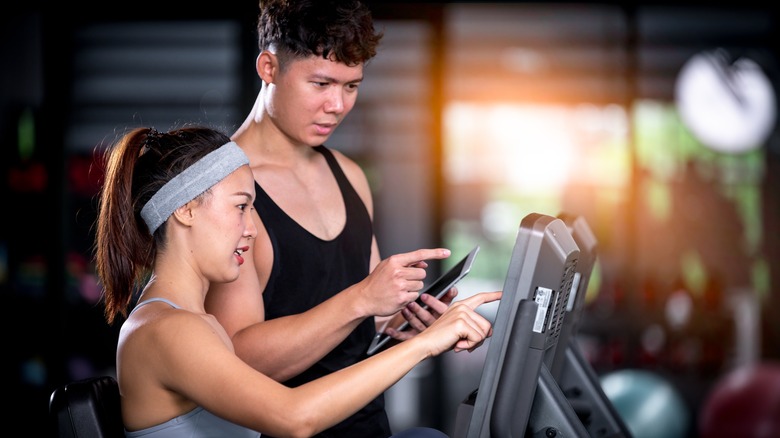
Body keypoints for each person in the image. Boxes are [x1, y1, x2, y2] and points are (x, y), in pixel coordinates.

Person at [95, 125, 501, 437]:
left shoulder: (191, 321)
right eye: (242, 207)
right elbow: (295, 417)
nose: (252, 230)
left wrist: (407, 334)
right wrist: (427, 345)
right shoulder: (167, 330)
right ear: (185, 210)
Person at [205, 1, 461, 436]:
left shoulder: (351, 175)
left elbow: (366, 322)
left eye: (351, 86)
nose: (338, 105)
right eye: (321, 83)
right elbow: (238, 356)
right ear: (268, 67)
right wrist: (363, 297)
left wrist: (409, 319)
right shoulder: (225, 190)